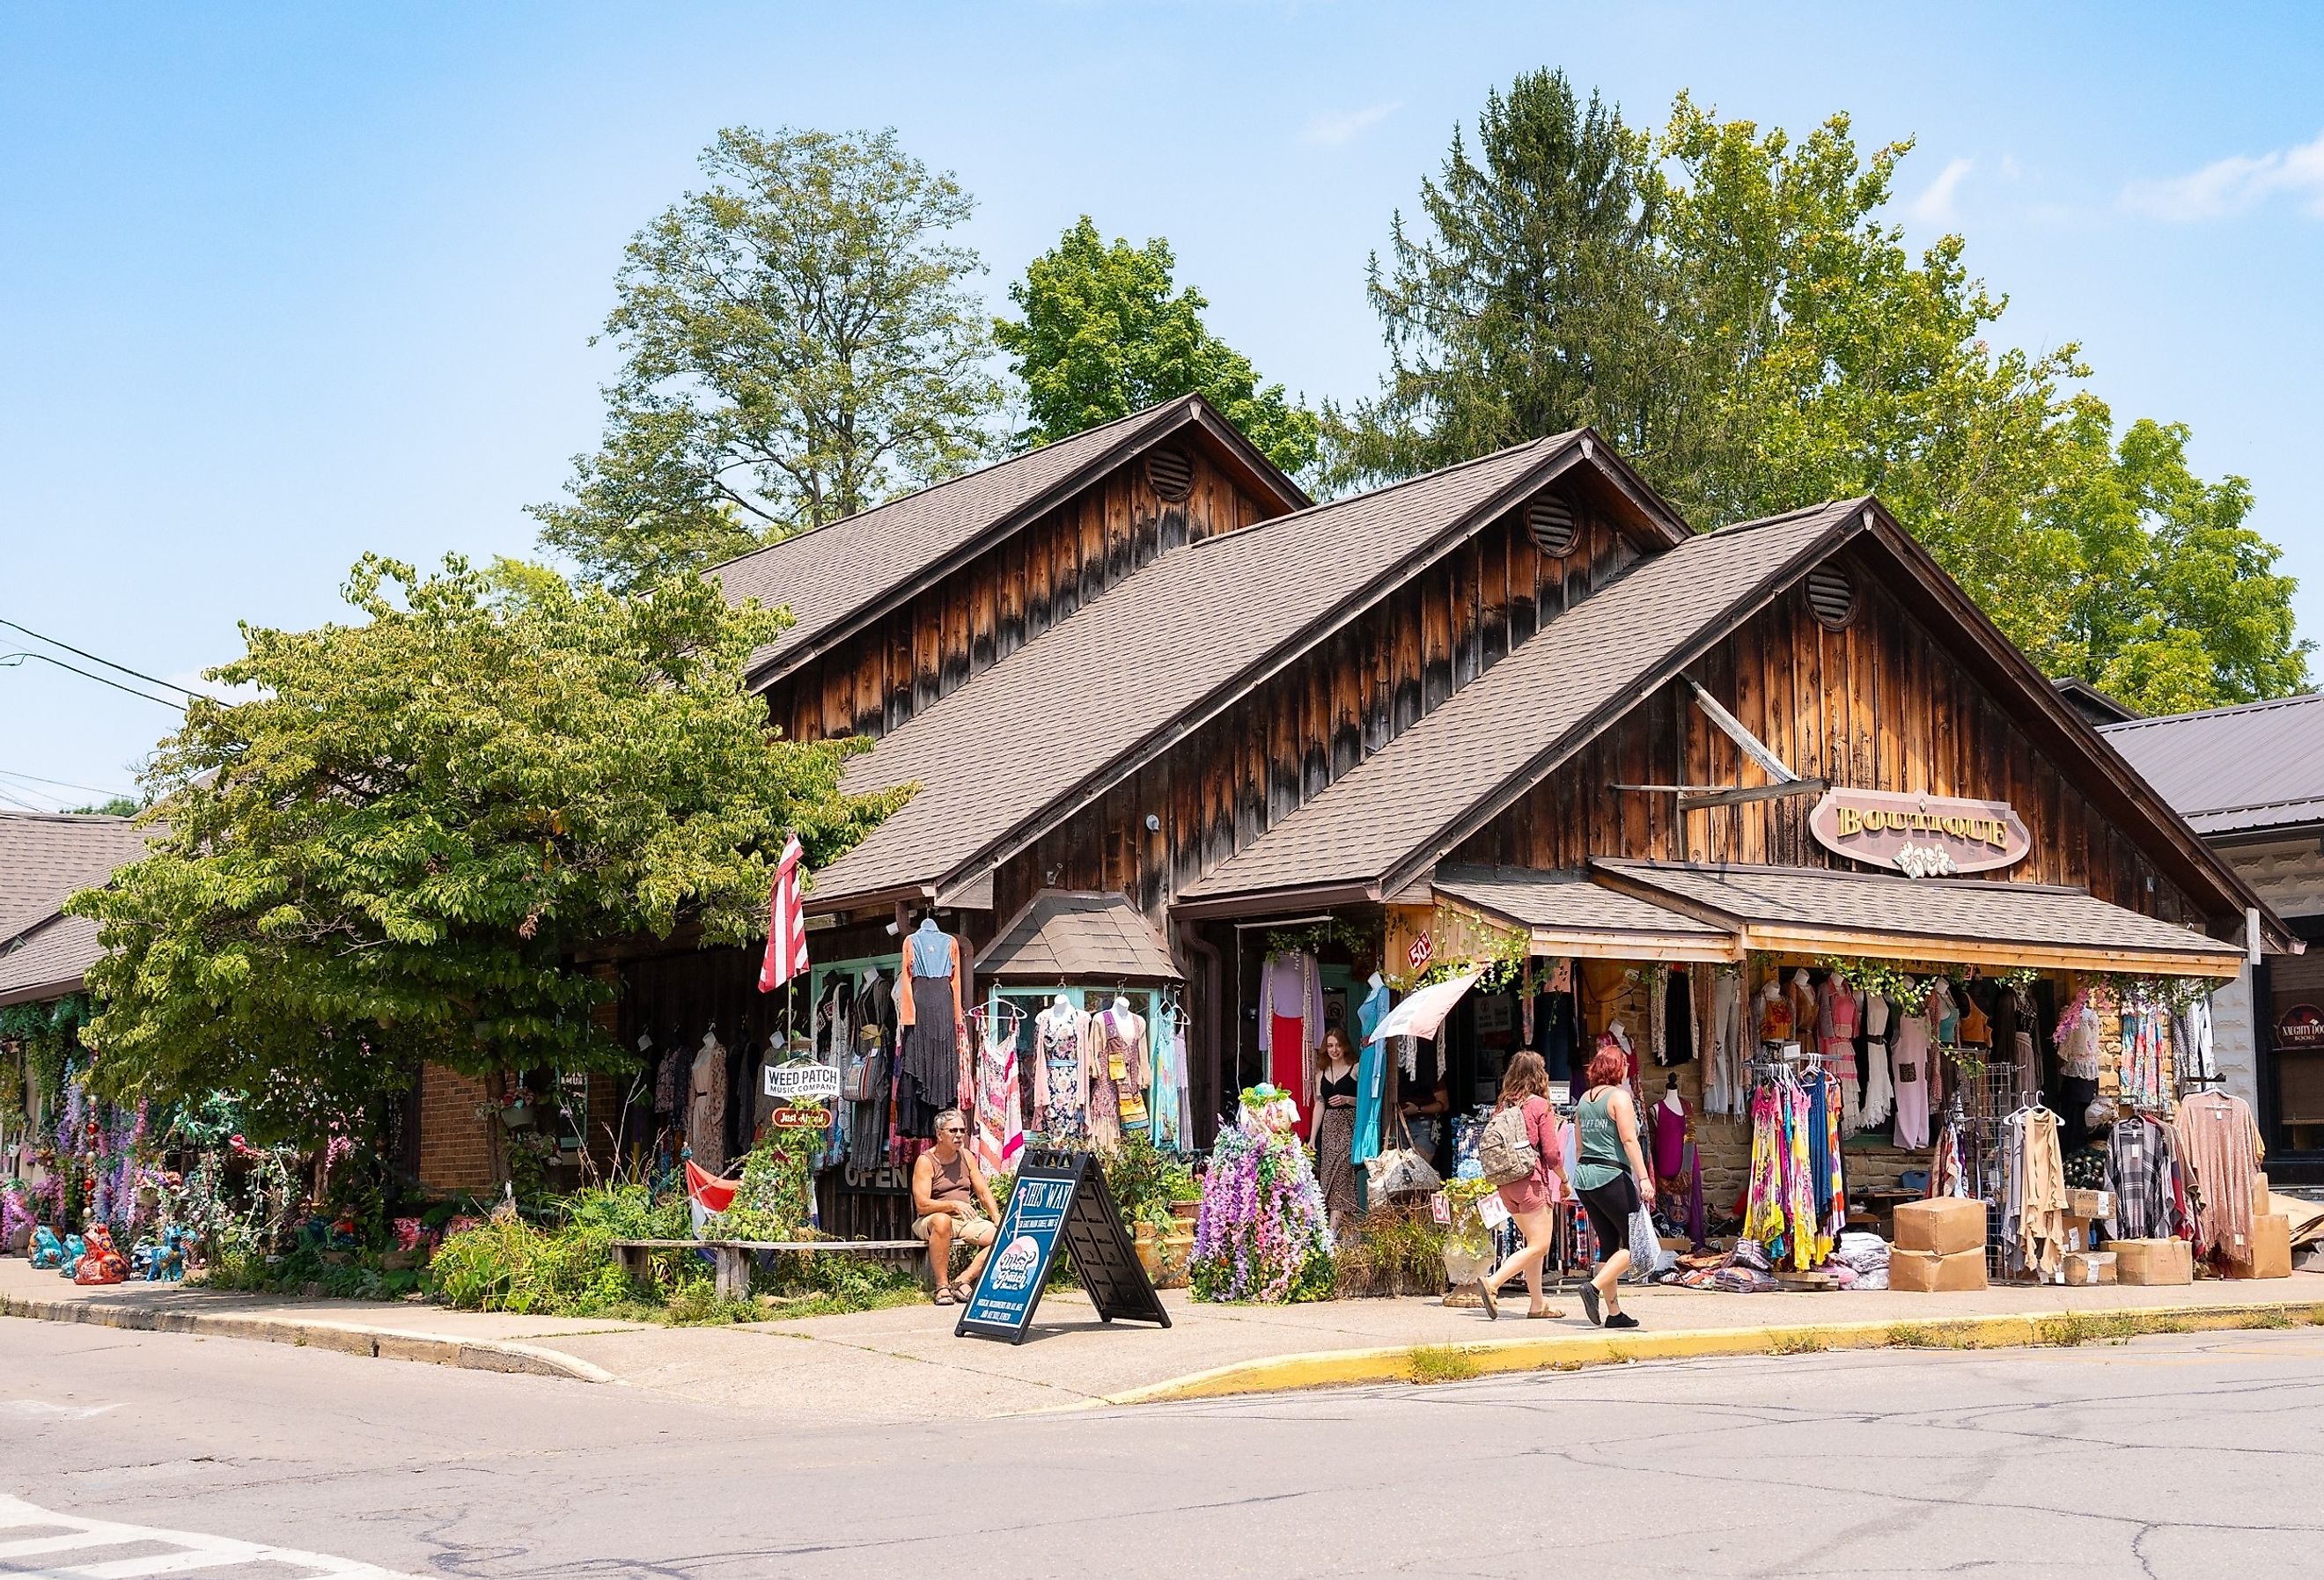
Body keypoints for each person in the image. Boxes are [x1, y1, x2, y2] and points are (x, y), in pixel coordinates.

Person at [1478, 1051, 1566, 1320]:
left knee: (1532, 1244)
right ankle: (1493, 1283)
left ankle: (1537, 1304)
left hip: (1507, 1185)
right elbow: (1551, 1154)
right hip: (1531, 1182)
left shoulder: (1503, 1105)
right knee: (1540, 1245)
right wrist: (1564, 1180)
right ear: (1540, 1074)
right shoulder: (1540, 1105)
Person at [1572, 1042, 1654, 1329]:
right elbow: (1630, 1140)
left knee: (1608, 1246)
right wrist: (1643, 1178)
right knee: (1635, 1245)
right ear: (1617, 1068)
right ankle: (1592, 1288)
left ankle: (1615, 1312)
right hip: (1611, 1176)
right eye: (1624, 1065)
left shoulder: (1583, 1100)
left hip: (1585, 1178)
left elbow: (1579, 1147)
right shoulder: (1619, 1098)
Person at [911, 1108, 1003, 1305]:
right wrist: (952, 1204)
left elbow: (983, 1192)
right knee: (942, 1221)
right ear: (939, 1134)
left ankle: (963, 1280)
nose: (959, 1135)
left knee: (1002, 1236)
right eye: (953, 1131)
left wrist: (996, 1218)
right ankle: (942, 1286)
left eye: (962, 1130)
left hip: (966, 1219)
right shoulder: (926, 1161)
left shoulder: (967, 1156)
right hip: (932, 1219)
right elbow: (921, 1205)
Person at [1310, 1027, 1363, 1231]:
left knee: (1342, 1176)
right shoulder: (1321, 1074)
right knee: (1330, 1180)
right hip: (1329, 1131)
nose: (1334, 1050)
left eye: (1338, 1045)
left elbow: (1367, 1102)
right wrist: (1313, 1137)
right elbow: (1319, 1105)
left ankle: (1330, 1236)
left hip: (1349, 1128)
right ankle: (1351, 1239)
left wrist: (1348, 1100)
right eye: (1330, 1046)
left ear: (1345, 1046)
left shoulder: (1356, 1068)